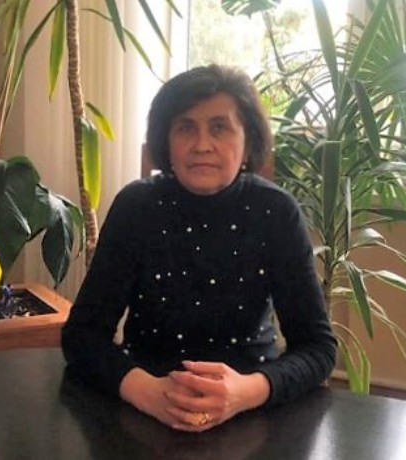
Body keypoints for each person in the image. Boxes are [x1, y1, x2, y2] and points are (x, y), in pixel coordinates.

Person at [61, 64, 336, 432]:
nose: (202, 144)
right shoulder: (136, 207)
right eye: (185, 127)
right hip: (144, 408)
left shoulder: (276, 212)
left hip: (251, 413)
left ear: (248, 141)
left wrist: (246, 392)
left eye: (220, 127)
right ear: (166, 140)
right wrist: (145, 391)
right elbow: (82, 335)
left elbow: (318, 349)